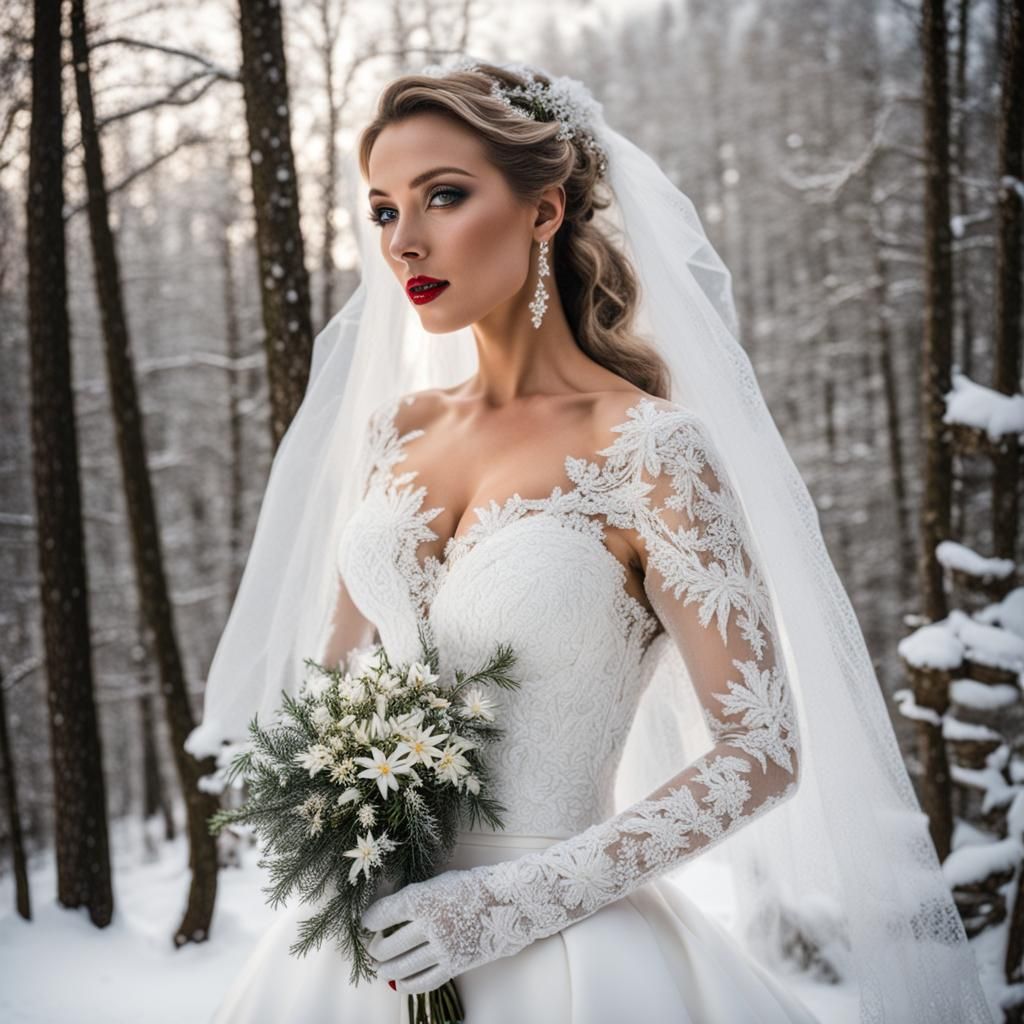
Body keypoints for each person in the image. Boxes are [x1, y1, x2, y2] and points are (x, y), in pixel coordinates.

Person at [189, 59, 995, 1024]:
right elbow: (331, 686)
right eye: (383, 211)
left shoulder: (652, 448)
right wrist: (335, 830)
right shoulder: (394, 434)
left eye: (443, 196)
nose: (406, 242)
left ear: (544, 210)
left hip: (568, 952)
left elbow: (763, 749)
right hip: (360, 944)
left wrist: (509, 905)